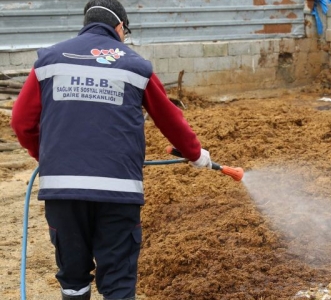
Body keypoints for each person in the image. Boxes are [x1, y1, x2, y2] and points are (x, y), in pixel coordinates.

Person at [10, 1, 212, 299]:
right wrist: (196, 154)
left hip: (63, 190)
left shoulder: (49, 60)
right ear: (120, 27)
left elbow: (21, 122)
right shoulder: (136, 65)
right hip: (118, 191)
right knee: (117, 279)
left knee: (73, 277)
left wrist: (49, 157)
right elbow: (169, 118)